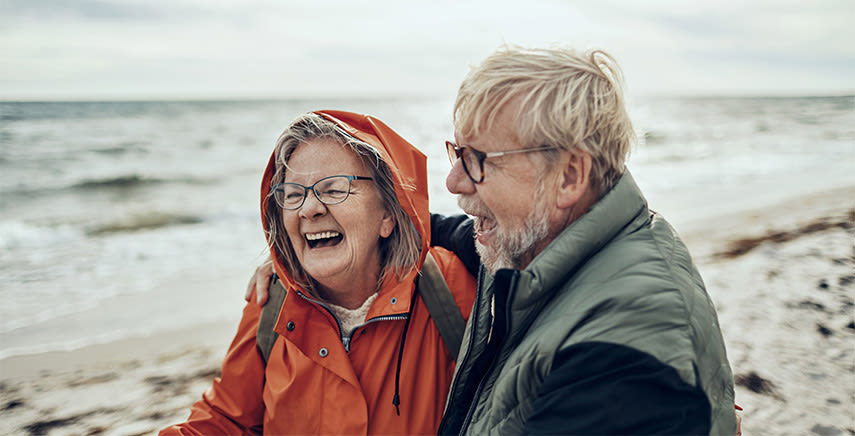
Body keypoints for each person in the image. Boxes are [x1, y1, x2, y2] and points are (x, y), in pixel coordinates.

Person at [247, 47, 741, 435]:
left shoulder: (624, 346)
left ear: (569, 176)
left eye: (478, 160)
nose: (454, 182)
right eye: (457, 153)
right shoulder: (536, 250)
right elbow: (448, 230)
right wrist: (324, 246)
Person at [160, 110, 475, 435]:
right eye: (293, 195)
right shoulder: (271, 301)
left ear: (388, 215)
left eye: (334, 190)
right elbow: (225, 421)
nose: (308, 209)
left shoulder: (447, 287)